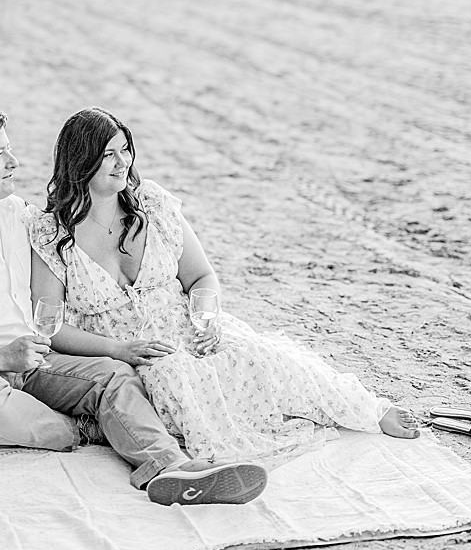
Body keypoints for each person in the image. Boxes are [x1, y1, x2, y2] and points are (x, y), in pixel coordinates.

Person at [0, 104, 268, 506]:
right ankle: (85, 429)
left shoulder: (18, 214)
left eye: (9, 150)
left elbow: (78, 232)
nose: (13, 162)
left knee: (114, 375)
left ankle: (169, 468)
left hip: (32, 358)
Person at [23, 107, 420, 467]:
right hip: (121, 344)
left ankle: (369, 410)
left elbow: (201, 278)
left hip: (183, 321)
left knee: (261, 357)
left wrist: (205, 320)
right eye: (108, 154)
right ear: (81, 160)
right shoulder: (50, 232)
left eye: (125, 150)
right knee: (174, 377)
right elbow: (51, 325)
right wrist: (118, 350)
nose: (121, 161)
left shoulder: (153, 205)